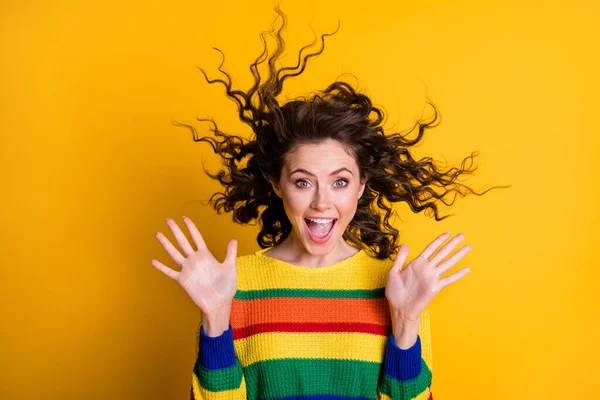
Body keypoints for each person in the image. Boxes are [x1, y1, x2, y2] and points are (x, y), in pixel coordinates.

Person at [151, 5, 508, 400]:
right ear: (277, 185)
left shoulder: (395, 285)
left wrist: (406, 321)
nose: (323, 202)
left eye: (340, 181)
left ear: (360, 187)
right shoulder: (234, 284)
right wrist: (215, 320)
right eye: (303, 182)